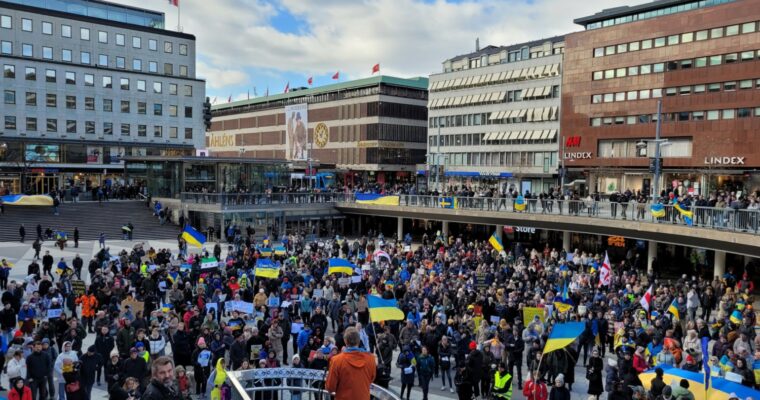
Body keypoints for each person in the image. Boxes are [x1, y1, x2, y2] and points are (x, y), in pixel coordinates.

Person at [325, 327, 376, 400]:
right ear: (359, 341)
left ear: (345, 341)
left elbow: (330, 387)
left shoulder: (336, 360)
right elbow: (371, 379)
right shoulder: (370, 359)